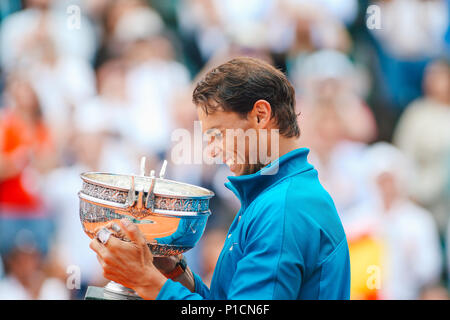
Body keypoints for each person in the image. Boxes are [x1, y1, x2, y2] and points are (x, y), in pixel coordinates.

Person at [89, 57, 351, 300]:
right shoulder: (274, 197)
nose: (211, 151)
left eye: (217, 134)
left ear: (261, 115)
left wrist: (147, 281)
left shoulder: (283, 207)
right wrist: (176, 275)